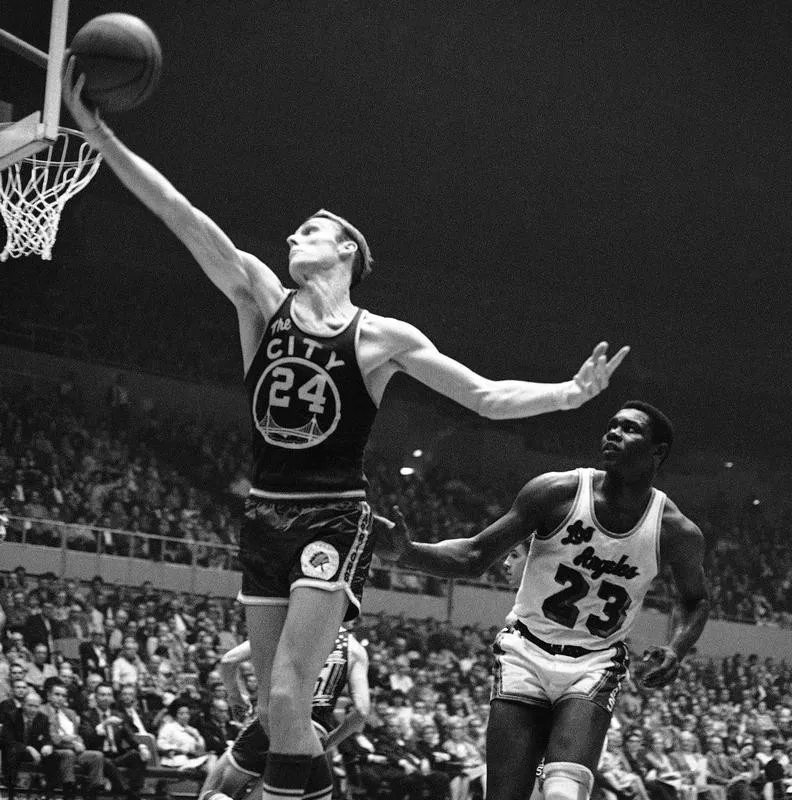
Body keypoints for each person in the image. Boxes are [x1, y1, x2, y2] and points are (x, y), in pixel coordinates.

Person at [62, 54, 628, 800]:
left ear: (347, 253)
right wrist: (101, 139)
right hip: (263, 511)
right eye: (294, 232)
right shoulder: (259, 298)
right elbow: (180, 214)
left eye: (311, 231)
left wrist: (567, 394)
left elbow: (486, 397)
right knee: (274, 713)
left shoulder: (379, 336)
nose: (294, 238)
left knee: (295, 697)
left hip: (332, 515)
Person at [378, 400, 710, 800]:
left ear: (658, 452)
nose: (614, 434)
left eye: (630, 429)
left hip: (594, 661)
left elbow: (695, 600)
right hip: (525, 651)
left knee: (562, 793)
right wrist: (408, 553)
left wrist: (676, 649)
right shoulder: (557, 492)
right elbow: (473, 556)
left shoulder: (676, 530)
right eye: (612, 426)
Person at [198, 625, 371, 800]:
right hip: (313, 737)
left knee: (212, 792)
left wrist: (235, 696)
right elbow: (362, 711)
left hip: (276, 720)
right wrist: (329, 742)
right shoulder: (355, 650)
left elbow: (228, 660)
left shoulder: (294, 625)